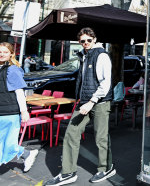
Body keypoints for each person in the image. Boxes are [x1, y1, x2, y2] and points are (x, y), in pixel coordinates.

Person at [45, 27, 115, 185]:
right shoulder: (83, 55)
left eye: (88, 40)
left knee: (101, 137)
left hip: (100, 102)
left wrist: (92, 101)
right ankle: (68, 172)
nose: (86, 43)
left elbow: (106, 82)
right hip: (84, 102)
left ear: (94, 39)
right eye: (82, 41)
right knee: (71, 133)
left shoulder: (101, 55)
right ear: (79, 42)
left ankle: (106, 167)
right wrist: (81, 99)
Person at [0, 42, 39, 172]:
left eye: (5, 52)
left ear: (11, 54)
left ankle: (27, 154)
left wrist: (24, 111)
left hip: (9, 112)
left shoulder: (12, 70)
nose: (2, 54)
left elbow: (19, 91)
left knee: (9, 143)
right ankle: (26, 154)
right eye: (0, 52)